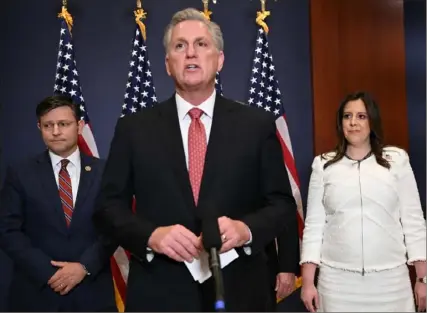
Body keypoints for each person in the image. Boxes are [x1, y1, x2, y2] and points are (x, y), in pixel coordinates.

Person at [93, 7, 298, 312]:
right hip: (160, 291)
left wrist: (245, 229)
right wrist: (152, 236)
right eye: (180, 46)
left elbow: (281, 204)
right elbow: (108, 207)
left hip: (240, 290)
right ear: (167, 64)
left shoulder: (257, 125)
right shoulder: (133, 128)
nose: (191, 53)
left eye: (201, 44)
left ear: (220, 60)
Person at [300, 91, 427, 312]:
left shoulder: (396, 160)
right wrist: (308, 282)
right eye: (347, 116)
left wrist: (423, 278)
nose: (353, 123)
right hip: (337, 284)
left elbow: (413, 221)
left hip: (390, 284)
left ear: (372, 121)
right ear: (340, 123)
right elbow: (314, 227)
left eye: (361, 116)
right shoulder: (323, 165)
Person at [0, 95, 117, 312]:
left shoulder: (105, 171)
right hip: (37, 294)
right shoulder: (19, 173)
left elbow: (115, 226)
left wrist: (84, 266)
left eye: (63, 124)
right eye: (48, 125)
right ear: (39, 127)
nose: (55, 131)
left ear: (79, 126)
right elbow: (7, 230)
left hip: (92, 293)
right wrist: (49, 272)